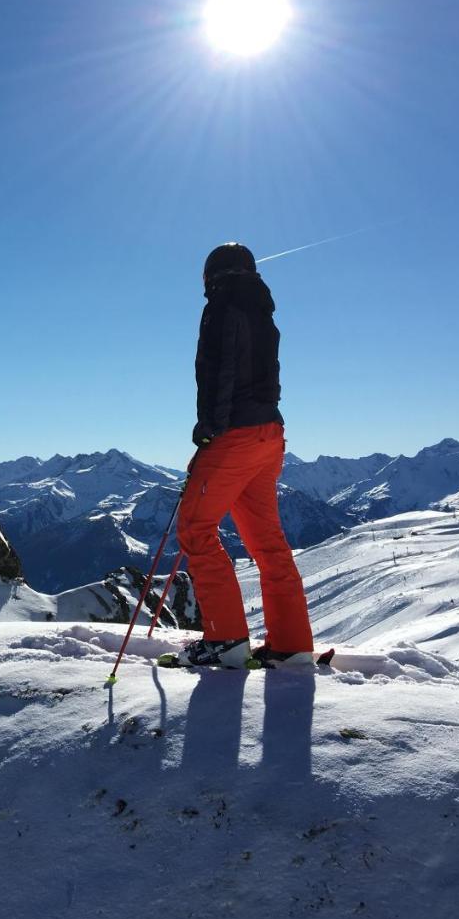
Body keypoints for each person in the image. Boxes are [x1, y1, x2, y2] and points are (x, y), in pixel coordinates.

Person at [174, 242, 314, 668]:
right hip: (270, 434)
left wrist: (209, 429)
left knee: (196, 528)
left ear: (211, 275)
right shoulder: (262, 312)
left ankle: (226, 638)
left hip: (235, 433)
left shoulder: (222, 306)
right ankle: (292, 647)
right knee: (267, 542)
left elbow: (220, 372)